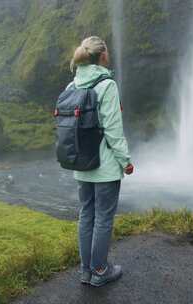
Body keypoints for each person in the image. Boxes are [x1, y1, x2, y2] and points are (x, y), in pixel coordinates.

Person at [67, 36, 134, 287]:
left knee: (86, 216)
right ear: (103, 55)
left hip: (82, 165)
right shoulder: (107, 85)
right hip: (104, 167)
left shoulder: (73, 85)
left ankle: (86, 271)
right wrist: (125, 161)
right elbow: (113, 132)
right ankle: (100, 270)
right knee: (104, 218)